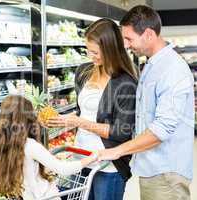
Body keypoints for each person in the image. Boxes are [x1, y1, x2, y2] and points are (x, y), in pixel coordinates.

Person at [97, 5, 195, 200]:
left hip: (166, 172)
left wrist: (117, 151)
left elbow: (161, 129)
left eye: (129, 39)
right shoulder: (152, 65)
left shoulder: (172, 70)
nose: (125, 45)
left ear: (149, 34)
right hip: (152, 166)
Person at [47, 18, 138, 200]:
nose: (90, 55)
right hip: (80, 158)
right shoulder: (84, 72)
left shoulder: (125, 83)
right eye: (87, 50)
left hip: (107, 164)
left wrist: (78, 122)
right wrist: (62, 119)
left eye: (95, 52)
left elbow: (121, 132)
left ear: (111, 49)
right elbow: (84, 112)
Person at [0, 95, 97, 200]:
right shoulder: (30, 145)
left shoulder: (1, 143)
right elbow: (63, 169)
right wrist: (91, 158)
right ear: (26, 117)